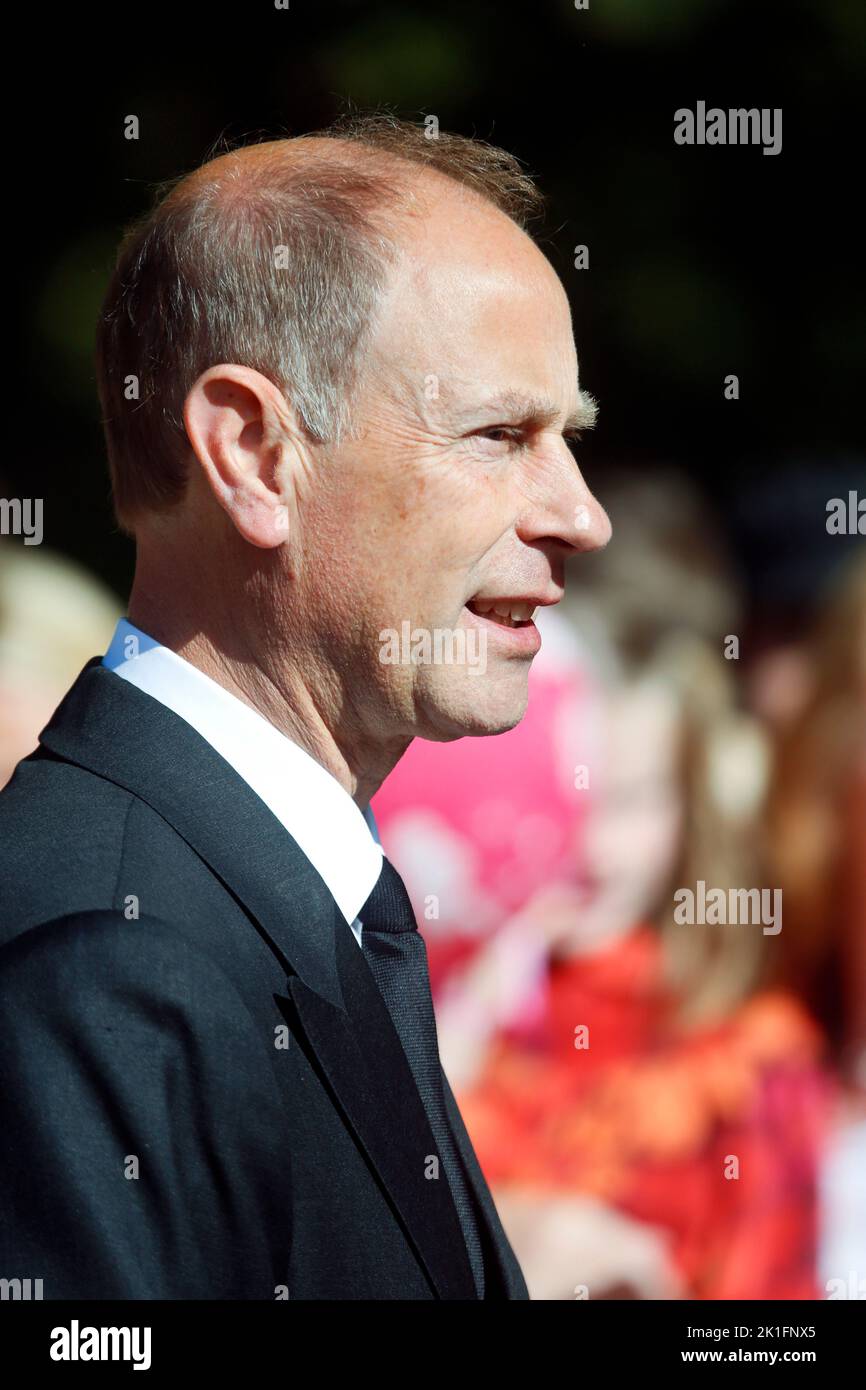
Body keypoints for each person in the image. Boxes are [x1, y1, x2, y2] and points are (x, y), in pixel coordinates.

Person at [0, 112, 610, 1299]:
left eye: (568, 439)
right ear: (252, 454)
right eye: (500, 434)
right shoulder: (99, 967)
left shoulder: (282, 893)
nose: (579, 514)